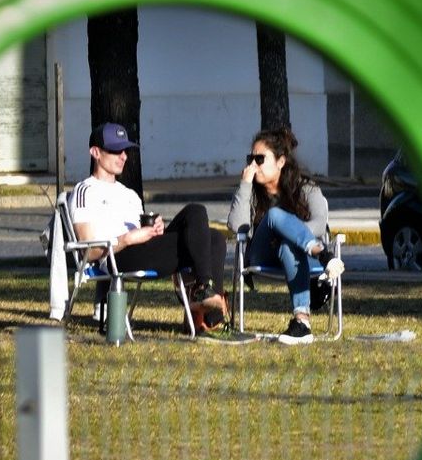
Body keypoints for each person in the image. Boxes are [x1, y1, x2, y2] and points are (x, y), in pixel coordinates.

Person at [71, 122, 228, 331]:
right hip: (117, 256)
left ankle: (204, 298)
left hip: (145, 249)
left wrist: (156, 230)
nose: (124, 156)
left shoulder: (129, 194)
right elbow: (87, 251)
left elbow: (145, 234)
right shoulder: (85, 191)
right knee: (204, 237)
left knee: (206, 225)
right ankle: (209, 314)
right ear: (95, 152)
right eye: (116, 150)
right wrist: (127, 239)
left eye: (125, 150)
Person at [225, 128, 343, 345]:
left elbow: (319, 224)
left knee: (288, 244)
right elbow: (235, 226)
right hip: (263, 254)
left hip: (297, 255)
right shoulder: (250, 192)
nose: (253, 165)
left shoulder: (306, 188)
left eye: (260, 159)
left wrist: (291, 234)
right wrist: (244, 185)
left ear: (280, 161)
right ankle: (323, 254)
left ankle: (302, 323)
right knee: (274, 215)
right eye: (250, 159)